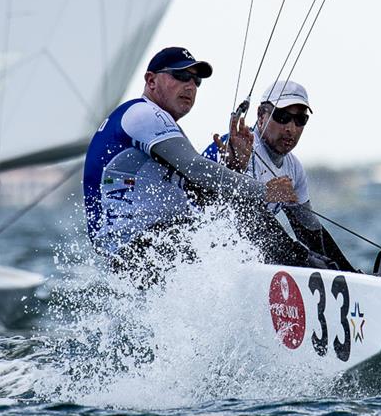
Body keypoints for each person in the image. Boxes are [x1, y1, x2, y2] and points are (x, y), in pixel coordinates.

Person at [83, 47, 323, 281]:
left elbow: (200, 197)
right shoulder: (142, 114)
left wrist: (235, 167)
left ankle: (307, 271)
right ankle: (306, 272)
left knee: (231, 224)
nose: (190, 86)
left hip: (147, 249)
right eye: (180, 76)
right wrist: (266, 191)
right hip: (135, 248)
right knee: (243, 219)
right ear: (151, 80)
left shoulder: (163, 129)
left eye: (196, 81)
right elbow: (197, 169)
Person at [204, 80, 356, 272]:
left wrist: (348, 272)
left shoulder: (294, 168)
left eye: (300, 120)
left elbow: (310, 231)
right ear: (260, 116)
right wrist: (305, 260)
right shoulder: (235, 147)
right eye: (282, 117)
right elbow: (251, 222)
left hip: (236, 258)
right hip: (199, 252)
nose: (291, 129)